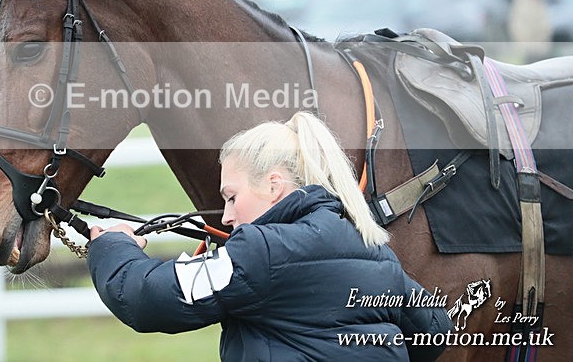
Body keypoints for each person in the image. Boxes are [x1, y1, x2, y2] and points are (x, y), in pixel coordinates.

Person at [87, 111, 452, 361]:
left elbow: (147, 298)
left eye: (232, 197)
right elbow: (436, 330)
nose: (227, 217)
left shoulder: (261, 252)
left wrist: (112, 246)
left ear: (274, 185)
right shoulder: (374, 251)